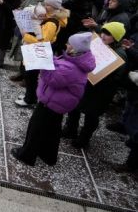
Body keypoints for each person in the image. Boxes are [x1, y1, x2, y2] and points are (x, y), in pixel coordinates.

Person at [11, 32, 96, 166]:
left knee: (36, 128)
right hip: (58, 103)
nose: (66, 44)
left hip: (52, 102)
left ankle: (27, 155)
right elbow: (62, 63)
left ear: (75, 48)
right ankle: (48, 156)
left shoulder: (72, 68)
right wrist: (50, 58)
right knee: (52, 130)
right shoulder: (77, 59)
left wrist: (42, 64)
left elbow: (53, 79)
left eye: (69, 43)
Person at [63, 22, 128, 149]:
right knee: (75, 107)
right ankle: (70, 129)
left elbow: (117, 78)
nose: (103, 36)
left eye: (108, 34)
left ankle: (84, 139)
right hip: (86, 84)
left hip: (100, 92)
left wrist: (101, 75)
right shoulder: (97, 43)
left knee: (91, 115)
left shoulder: (120, 54)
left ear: (116, 37)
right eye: (103, 32)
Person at [15, 0, 69, 107]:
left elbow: (43, 41)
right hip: (34, 50)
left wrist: (25, 35)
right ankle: (30, 95)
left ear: (55, 7)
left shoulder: (51, 23)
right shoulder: (49, 17)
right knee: (29, 74)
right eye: (45, 4)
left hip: (37, 51)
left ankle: (30, 99)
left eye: (48, 5)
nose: (45, 6)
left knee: (31, 76)